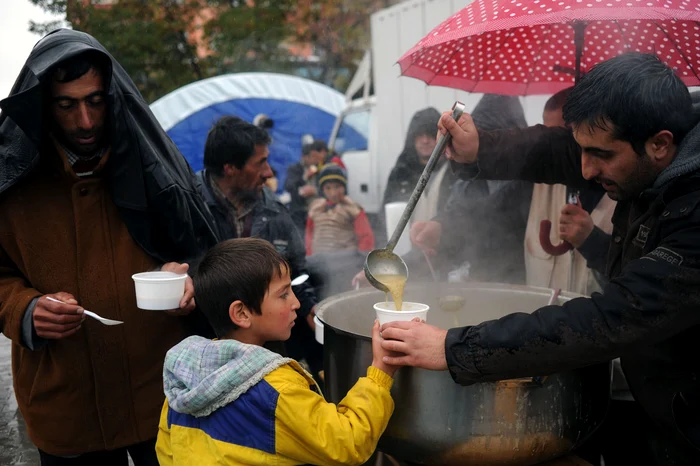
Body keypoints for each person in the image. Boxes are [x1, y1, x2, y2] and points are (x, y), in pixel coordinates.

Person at [379, 52, 700, 465]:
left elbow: (615, 316)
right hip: (662, 413)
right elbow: (558, 150)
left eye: (600, 155)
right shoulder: (652, 150)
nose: (584, 170)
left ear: (660, 144)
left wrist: (455, 347)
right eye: (581, 150)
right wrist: (480, 148)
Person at [0, 29, 219, 465]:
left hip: (160, 399)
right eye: (66, 105)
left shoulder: (155, 171)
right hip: (66, 409)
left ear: (113, 97)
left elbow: (206, 250)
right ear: (43, 104)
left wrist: (192, 282)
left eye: (95, 101)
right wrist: (24, 309)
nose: (85, 121)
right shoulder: (10, 184)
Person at [155, 238, 397, 465]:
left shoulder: (182, 382)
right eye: (283, 294)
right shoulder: (278, 392)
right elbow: (347, 442)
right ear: (241, 313)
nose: (296, 303)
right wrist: (380, 371)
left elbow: (166, 453)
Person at [196, 116, 322, 377]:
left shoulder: (273, 209)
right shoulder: (186, 205)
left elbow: (296, 269)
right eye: (261, 162)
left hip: (264, 352)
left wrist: (310, 306)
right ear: (230, 167)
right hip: (204, 350)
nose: (269, 172)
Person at [409, 95, 533, 284]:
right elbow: (458, 222)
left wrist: (444, 228)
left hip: (520, 284)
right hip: (478, 279)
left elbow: (486, 217)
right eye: (482, 139)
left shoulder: (528, 184)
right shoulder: (469, 180)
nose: (483, 150)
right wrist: (437, 229)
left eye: (494, 140)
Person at [524, 87, 615, 294]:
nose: (552, 148)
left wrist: (592, 242)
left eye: (560, 138)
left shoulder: (628, 192)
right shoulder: (535, 183)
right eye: (548, 137)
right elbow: (492, 217)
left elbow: (637, 280)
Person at [305, 163, 374, 256]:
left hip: (345, 261)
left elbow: (366, 237)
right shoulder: (315, 209)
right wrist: (309, 258)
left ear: (344, 188)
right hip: (319, 261)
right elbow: (309, 237)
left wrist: (361, 260)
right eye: (328, 188)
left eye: (337, 187)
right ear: (322, 190)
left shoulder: (353, 209)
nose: (333, 193)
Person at [285, 139, 340, 234]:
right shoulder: (295, 169)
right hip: (299, 212)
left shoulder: (324, 168)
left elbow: (333, 190)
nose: (315, 159)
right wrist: (303, 179)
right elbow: (289, 185)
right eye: (312, 157)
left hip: (320, 212)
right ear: (304, 157)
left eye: (316, 156)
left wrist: (315, 191)